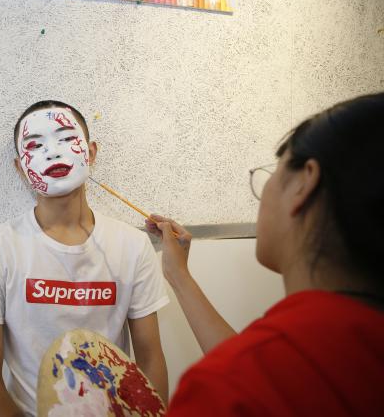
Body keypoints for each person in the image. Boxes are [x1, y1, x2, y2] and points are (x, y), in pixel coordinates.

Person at [145, 92, 384, 416]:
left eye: (274, 173)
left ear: (304, 183)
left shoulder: (225, 391)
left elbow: (253, 377)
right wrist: (179, 275)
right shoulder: (353, 349)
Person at [0, 101, 170, 416]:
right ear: (20, 167)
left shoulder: (133, 246)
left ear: (91, 153)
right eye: (34, 145)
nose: (53, 153)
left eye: (67, 138)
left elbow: (150, 359)